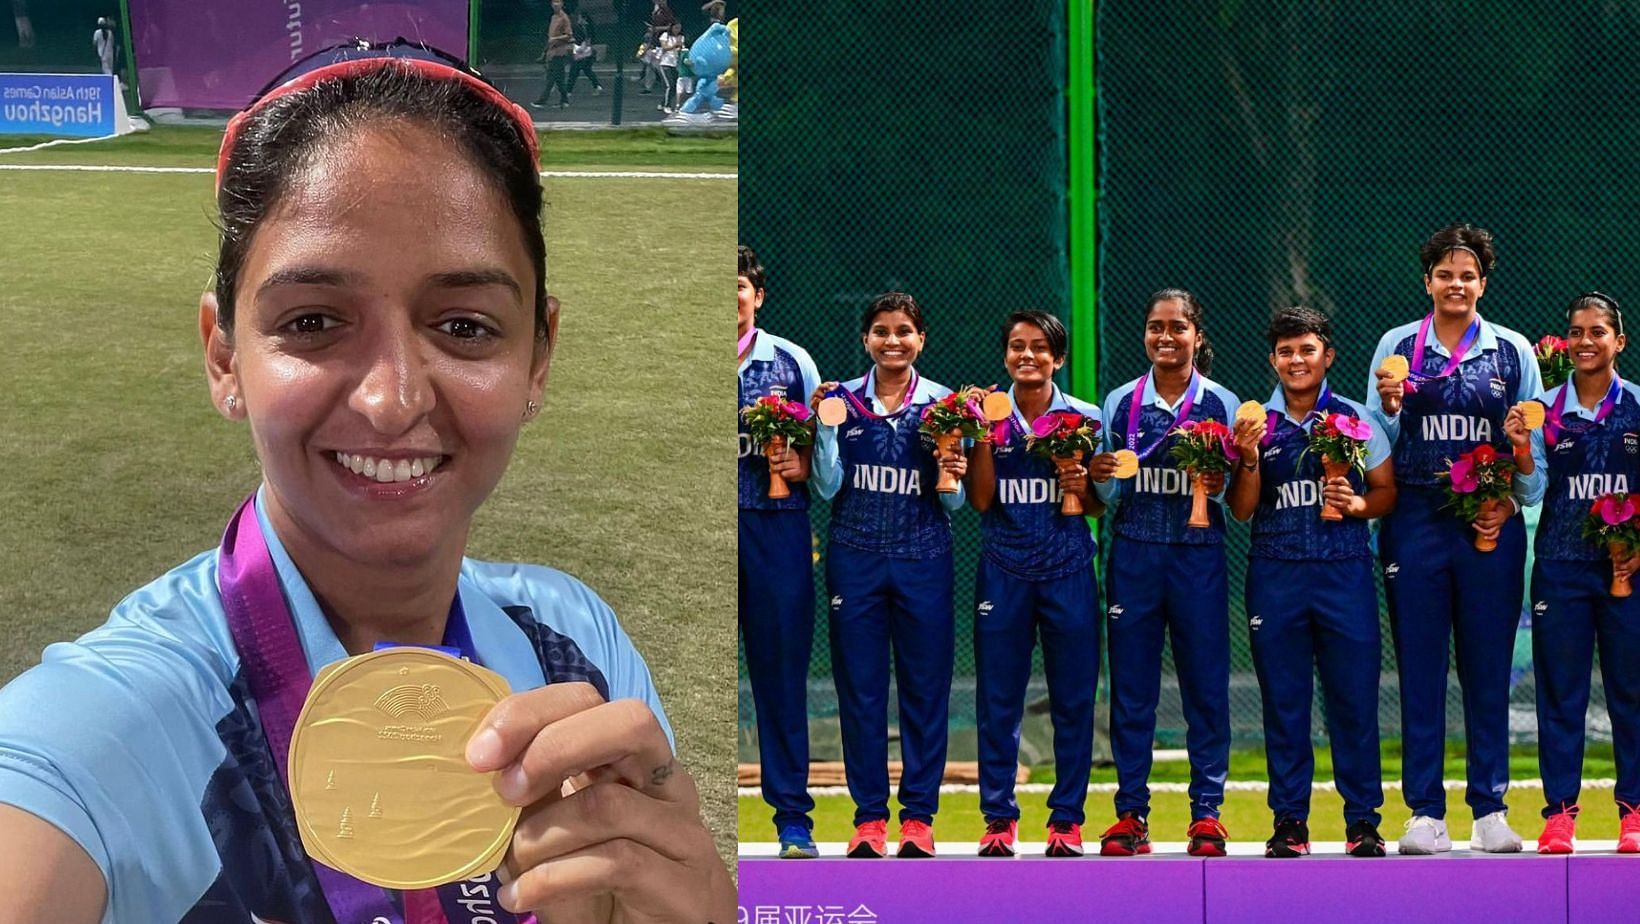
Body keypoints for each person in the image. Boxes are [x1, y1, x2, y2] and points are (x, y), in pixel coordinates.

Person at [0, 41, 734, 922]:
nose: (393, 401)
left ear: (539, 357)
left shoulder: (577, 652)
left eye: (464, 326)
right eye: (313, 321)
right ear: (224, 355)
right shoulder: (102, 729)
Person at [1367, 222, 1542, 855]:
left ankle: (1491, 808)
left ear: (1483, 284)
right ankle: (1423, 813)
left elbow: (1533, 453)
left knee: (1488, 667)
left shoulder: (1513, 351)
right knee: (1419, 666)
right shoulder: (1396, 344)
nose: (1456, 284)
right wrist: (1388, 408)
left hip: (1487, 524)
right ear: (1428, 282)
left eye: (1467, 275)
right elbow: (1373, 442)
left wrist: (1504, 502)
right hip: (1413, 519)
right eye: (1445, 274)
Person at [1225, 306, 1395, 858]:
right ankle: (1290, 822)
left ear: (1328, 355)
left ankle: (1363, 822)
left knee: (1354, 703)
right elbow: (1243, 511)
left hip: (1344, 573)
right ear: (1273, 359)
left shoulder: (1356, 417)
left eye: (1306, 349)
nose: (1296, 360)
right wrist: (1247, 458)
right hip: (1276, 575)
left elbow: (1388, 492)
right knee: (1285, 703)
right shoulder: (1255, 424)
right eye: (1285, 351)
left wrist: (1360, 502)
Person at [810, 292, 966, 859]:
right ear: (866, 340)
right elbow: (826, 488)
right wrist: (824, 429)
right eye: (881, 331)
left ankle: (919, 819)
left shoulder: (946, 406)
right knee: (862, 692)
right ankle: (870, 819)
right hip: (856, 559)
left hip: (924, 558)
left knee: (925, 692)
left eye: (904, 331)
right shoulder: (841, 401)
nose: (892, 340)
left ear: (921, 339)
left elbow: (954, 505)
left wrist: (952, 469)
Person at [1089, 288, 1241, 857]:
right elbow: (1104, 491)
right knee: (1132, 691)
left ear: (1197, 336)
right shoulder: (1120, 402)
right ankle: (1131, 813)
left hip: (1198, 555)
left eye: (1177, 327)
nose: (1165, 337)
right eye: (1156, 327)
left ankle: (1207, 813)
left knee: (1206, 686)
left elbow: (1236, 490)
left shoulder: (1222, 403)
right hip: (1134, 553)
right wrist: (1099, 474)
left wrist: (1226, 480)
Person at [965, 310, 1103, 858]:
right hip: (1003, 568)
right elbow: (979, 501)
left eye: (1040, 347)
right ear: (1005, 356)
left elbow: (1095, 505)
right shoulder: (988, 416)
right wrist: (977, 435)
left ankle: (1066, 820)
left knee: (1073, 701)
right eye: (1017, 346)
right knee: (999, 701)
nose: (1028, 355)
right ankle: (999, 818)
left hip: (1069, 568)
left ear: (1059, 358)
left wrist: (1082, 481)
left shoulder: (1086, 417)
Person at [1518, 292, 1640, 854]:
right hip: (1561, 570)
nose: (1584, 342)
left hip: (1628, 573)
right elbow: (1534, 490)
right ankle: (1560, 813)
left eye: (1597, 332)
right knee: (1561, 694)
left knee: (1631, 692)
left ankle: (1634, 814)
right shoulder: (1543, 409)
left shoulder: (1638, 406)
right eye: (1575, 332)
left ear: (1620, 341)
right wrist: (1521, 448)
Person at [737, 246, 823, 859]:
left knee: (780, 676)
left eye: (738, 284)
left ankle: (793, 818)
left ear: (758, 296)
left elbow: (828, 455)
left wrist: (805, 464)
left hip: (777, 528)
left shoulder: (792, 363)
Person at [532, 0, 574, 109]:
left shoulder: (564, 18)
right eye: (554, 2)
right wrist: (545, 51)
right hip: (552, 52)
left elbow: (569, 35)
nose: (556, 4)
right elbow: (550, 37)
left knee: (551, 78)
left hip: (559, 52)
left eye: (558, 2)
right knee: (559, 79)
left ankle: (542, 100)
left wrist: (556, 38)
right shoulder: (553, 17)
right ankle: (564, 100)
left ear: (562, 4)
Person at [567, 10, 603, 96]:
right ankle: (597, 86)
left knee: (574, 71)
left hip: (583, 52)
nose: (578, 19)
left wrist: (582, 48)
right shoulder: (585, 27)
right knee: (586, 70)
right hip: (586, 52)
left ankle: (568, 90)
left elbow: (586, 40)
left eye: (580, 17)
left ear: (584, 18)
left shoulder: (584, 28)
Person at [656, 23, 685, 113]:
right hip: (665, 63)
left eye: (679, 28)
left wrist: (680, 47)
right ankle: (667, 105)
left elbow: (681, 48)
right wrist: (675, 45)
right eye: (675, 28)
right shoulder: (665, 36)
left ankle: (662, 103)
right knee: (669, 85)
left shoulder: (681, 37)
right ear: (671, 28)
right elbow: (664, 47)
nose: (677, 30)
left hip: (674, 64)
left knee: (675, 85)